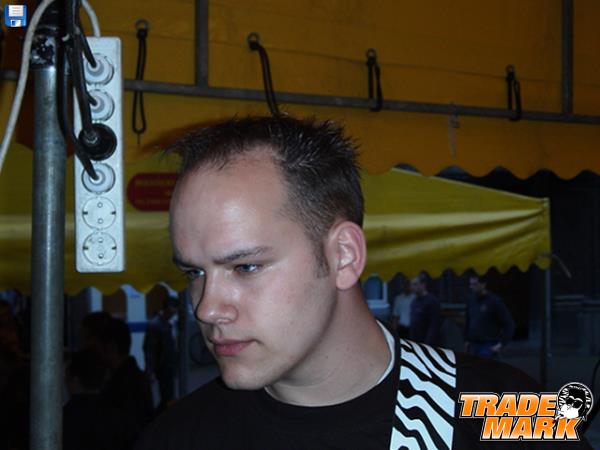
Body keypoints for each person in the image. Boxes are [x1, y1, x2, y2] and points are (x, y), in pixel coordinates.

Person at [135, 116, 590, 449]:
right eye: (194, 272)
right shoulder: (175, 439)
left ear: (344, 255)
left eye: (246, 267)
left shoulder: (511, 413)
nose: (207, 308)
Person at [63, 349, 138, 450]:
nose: (65, 383)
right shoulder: (119, 416)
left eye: (66, 378)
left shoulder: (63, 419)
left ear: (75, 381)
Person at [92, 315, 155, 433]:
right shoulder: (135, 377)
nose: (95, 352)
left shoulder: (121, 384)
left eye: (97, 347)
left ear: (110, 347)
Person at [464, 275, 516, 358]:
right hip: (473, 344)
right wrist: (467, 340)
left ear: (483, 284)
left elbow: (509, 323)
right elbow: (468, 320)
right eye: (471, 284)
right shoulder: (471, 300)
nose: (472, 287)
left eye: (475, 284)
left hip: (488, 345)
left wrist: (501, 344)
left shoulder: (494, 301)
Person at [143, 296, 178, 411]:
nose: (172, 315)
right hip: (163, 365)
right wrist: (150, 370)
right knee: (167, 396)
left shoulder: (164, 323)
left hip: (167, 364)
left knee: (167, 396)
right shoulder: (156, 325)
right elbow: (150, 349)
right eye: (171, 312)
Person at [408, 273, 441, 346]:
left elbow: (434, 325)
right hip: (416, 343)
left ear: (423, 284)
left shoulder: (432, 301)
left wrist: (428, 343)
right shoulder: (414, 302)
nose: (412, 287)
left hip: (428, 343)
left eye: (415, 284)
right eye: (411, 284)